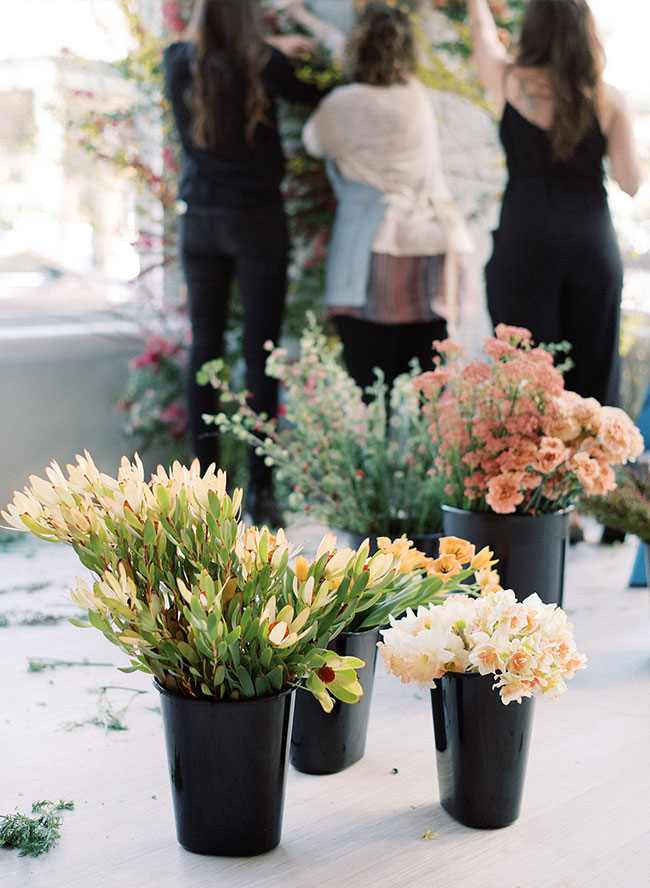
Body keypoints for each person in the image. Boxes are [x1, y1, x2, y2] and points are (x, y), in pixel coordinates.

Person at [163, 0, 329, 526]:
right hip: (256, 221)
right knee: (261, 353)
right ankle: (262, 493)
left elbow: (214, 53)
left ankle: (205, 493)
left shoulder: (175, 60)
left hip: (201, 219)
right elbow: (318, 86)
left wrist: (265, 50)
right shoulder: (264, 63)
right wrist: (284, 44)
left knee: (203, 346)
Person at [467, 0, 642, 409]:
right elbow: (631, 183)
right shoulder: (606, 98)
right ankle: (590, 472)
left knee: (523, 385)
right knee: (592, 388)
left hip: (524, 241)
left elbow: (482, 34)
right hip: (590, 243)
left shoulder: (508, 80)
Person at [301, 2, 472, 392]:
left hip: (377, 256)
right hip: (434, 251)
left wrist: (301, 18)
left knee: (370, 392)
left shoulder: (344, 104)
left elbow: (313, 142)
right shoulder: (416, 96)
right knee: (429, 392)